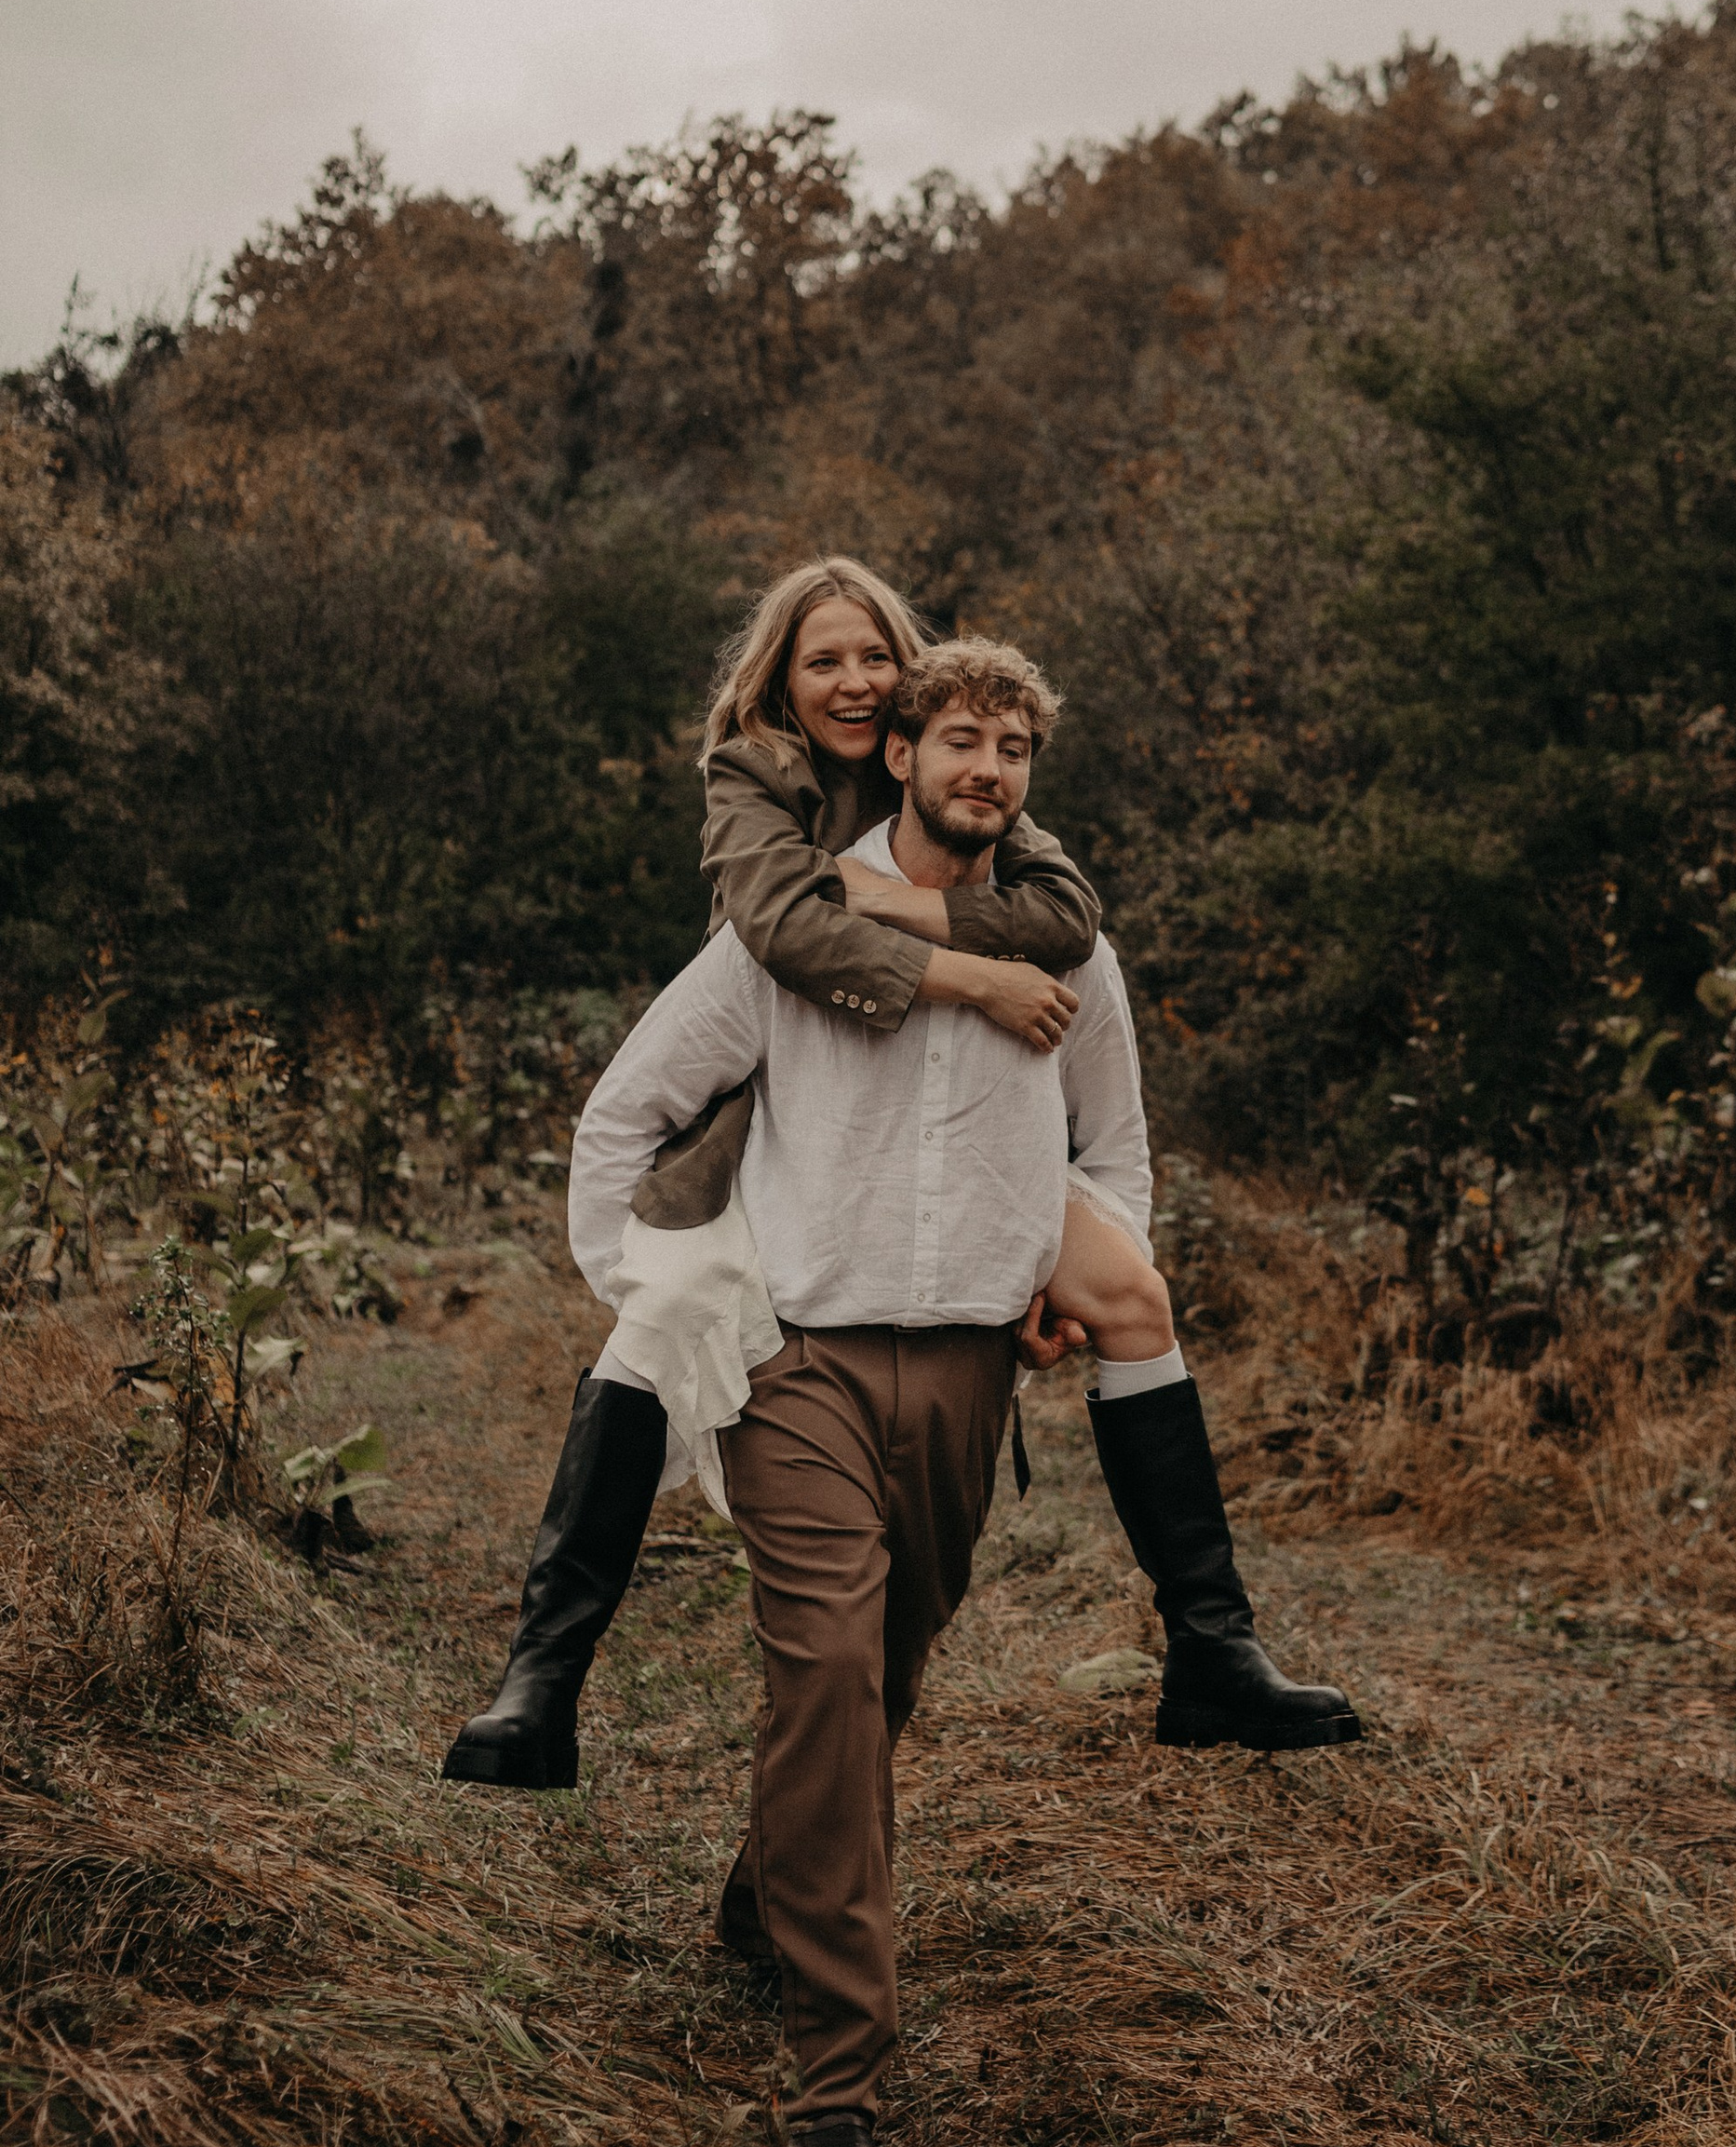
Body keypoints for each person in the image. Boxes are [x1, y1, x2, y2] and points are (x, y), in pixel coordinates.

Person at [563, 641, 1333, 2147]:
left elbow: (1116, 1155)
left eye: (1013, 749)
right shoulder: (789, 938)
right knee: (830, 1668)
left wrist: (1068, 1272)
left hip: (973, 1375)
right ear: (900, 755)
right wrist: (659, 1299)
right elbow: (623, 1115)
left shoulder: (1072, 954)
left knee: (884, 1676)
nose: (987, 769)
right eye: (960, 739)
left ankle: (766, 1897)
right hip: (797, 1365)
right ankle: (837, 2075)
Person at [442, 556, 1353, 1791]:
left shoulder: (971, 774)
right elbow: (785, 932)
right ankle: (543, 1677)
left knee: (1134, 1295)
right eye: (826, 661)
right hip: (782, 1129)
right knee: (658, 1323)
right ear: (795, 687)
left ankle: (1212, 1642)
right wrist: (961, 968)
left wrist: (1055, 1266)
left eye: (877, 657)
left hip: (973, 1173)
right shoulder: (755, 779)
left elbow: (1069, 929)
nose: (857, 681)